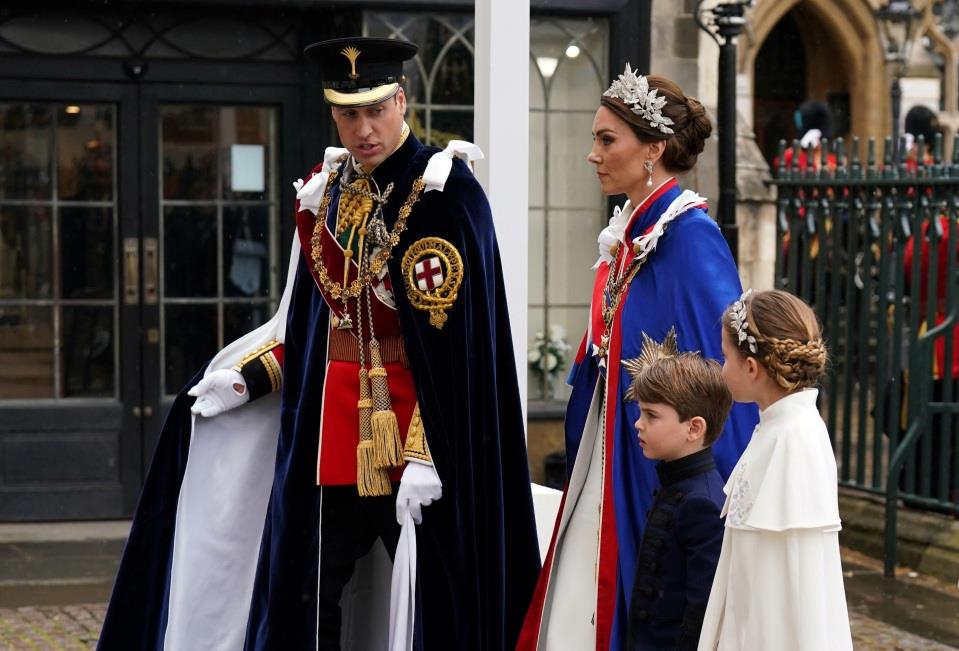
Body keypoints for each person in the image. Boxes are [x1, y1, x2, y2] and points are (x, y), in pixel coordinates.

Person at [98, 36, 540, 650]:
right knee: (306, 597)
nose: (364, 129)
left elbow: (462, 354)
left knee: (439, 596)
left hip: (422, 436)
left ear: (402, 100)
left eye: (376, 110)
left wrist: (426, 452)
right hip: (333, 435)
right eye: (348, 113)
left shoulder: (447, 195)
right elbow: (309, 326)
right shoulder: (326, 194)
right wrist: (247, 380)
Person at [517, 66, 757, 651]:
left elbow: (724, 374)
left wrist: (722, 495)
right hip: (613, 455)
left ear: (653, 149)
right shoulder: (632, 233)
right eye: (595, 139)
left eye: (607, 140)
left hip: (653, 469)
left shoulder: (688, 235)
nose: (592, 155)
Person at [698, 289, 853, 650]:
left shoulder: (793, 440)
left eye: (725, 358)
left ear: (751, 368)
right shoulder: (776, 428)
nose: (721, 369)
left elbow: (795, 584)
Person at [623, 329, 731, 651]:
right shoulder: (675, 485)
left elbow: (700, 613)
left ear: (694, 427)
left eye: (651, 415)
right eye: (641, 412)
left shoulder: (702, 503)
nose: (638, 424)